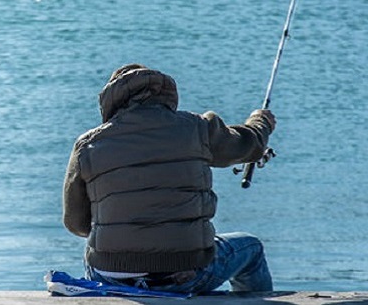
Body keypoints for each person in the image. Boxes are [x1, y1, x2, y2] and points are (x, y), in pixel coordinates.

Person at [62, 64, 276, 294]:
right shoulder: (197, 128)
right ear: (166, 93)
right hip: (184, 274)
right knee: (250, 248)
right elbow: (248, 145)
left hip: (109, 274)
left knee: (96, 248)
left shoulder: (87, 145)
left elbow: (76, 224)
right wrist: (260, 122)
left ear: (111, 100)